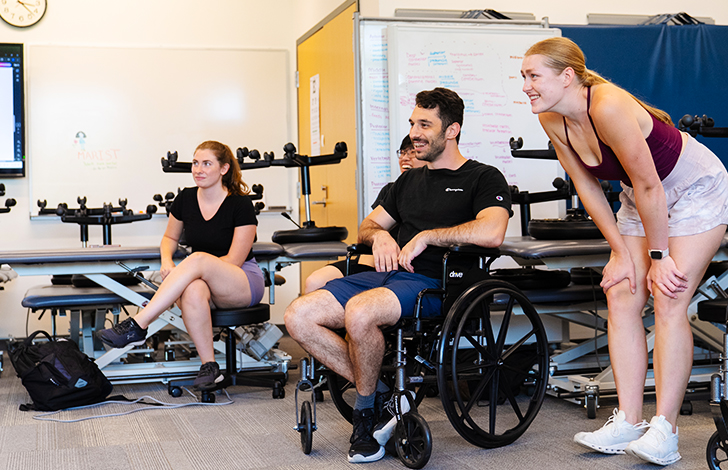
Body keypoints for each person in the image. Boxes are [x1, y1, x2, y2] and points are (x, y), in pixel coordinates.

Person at [521, 37, 728, 466]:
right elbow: (586, 185)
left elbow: (651, 183)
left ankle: (665, 431)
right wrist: (619, 251)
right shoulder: (551, 118)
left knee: (669, 295)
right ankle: (629, 421)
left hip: (694, 189)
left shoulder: (608, 105)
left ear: (567, 77)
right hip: (641, 199)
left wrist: (659, 258)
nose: (526, 86)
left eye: (533, 76)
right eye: (523, 77)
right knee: (621, 292)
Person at [284, 87, 511, 464]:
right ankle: (384, 395)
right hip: (385, 276)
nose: (414, 133)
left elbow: (492, 232)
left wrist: (427, 236)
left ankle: (364, 417)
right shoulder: (407, 182)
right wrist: (381, 236)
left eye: (425, 125)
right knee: (298, 316)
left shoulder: (482, 177)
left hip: (434, 283)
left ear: (452, 130)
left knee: (360, 312)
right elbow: (368, 225)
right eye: (412, 124)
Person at [95, 140, 264, 390]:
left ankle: (139, 324)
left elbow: (234, 260)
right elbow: (169, 238)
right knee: (193, 288)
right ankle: (210, 367)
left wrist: (194, 268)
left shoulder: (240, 204)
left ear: (224, 169)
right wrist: (167, 261)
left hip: (241, 281)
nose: (198, 169)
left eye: (206, 164)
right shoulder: (185, 198)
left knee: (197, 260)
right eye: (195, 163)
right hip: (202, 280)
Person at [303, 135, 426, 293]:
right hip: (375, 260)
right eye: (402, 153)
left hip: (407, 267)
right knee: (314, 282)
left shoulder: (431, 194)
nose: (404, 158)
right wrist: (378, 236)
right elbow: (363, 235)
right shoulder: (390, 190)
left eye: (411, 152)